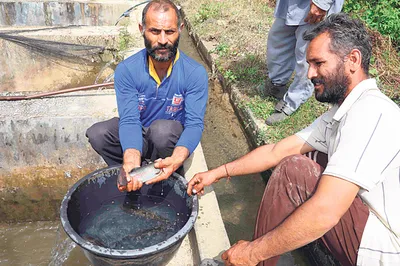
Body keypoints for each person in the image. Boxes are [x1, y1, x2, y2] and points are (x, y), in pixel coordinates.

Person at [188, 13, 400, 266]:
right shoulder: (343, 112)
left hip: (385, 249)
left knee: (295, 171)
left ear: (353, 60)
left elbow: (326, 209)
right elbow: (276, 151)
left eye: (318, 63)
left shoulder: (371, 113)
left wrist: (252, 252)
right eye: (309, 64)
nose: (310, 74)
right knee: (307, 156)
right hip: (364, 220)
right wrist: (218, 172)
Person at [86, 0, 208, 192]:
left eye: (169, 32)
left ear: (180, 29)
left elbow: (194, 124)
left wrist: (176, 160)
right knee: (98, 134)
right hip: (141, 133)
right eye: (154, 31)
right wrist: (131, 160)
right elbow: (129, 120)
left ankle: (170, 174)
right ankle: (131, 176)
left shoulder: (194, 73)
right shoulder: (127, 70)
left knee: (162, 131)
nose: (162, 40)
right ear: (142, 29)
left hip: (169, 137)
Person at [263, 0, 343, 125]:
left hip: (314, 6)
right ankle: (277, 84)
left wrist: (322, 3)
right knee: (278, 40)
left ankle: (293, 100)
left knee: (307, 55)